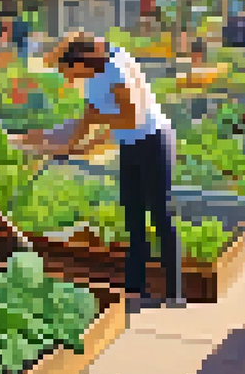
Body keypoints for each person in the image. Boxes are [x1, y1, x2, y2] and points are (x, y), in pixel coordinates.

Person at [30, 34, 182, 311]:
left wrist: (91, 123)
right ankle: (136, 289)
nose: (67, 79)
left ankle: (174, 293)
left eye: (68, 72)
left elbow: (131, 117)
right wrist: (68, 147)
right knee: (133, 217)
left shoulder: (116, 67)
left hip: (153, 141)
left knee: (160, 215)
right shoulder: (93, 75)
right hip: (130, 144)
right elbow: (88, 117)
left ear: (80, 63)